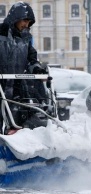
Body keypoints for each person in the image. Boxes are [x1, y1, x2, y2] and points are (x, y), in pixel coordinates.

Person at [0, 2, 47, 134]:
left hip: (16, 86)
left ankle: (14, 144)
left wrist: (37, 69)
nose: (26, 25)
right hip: (1, 83)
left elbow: (31, 59)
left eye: (29, 22)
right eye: (24, 21)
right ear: (16, 18)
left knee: (18, 118)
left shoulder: (26, 38)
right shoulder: (1, 33)